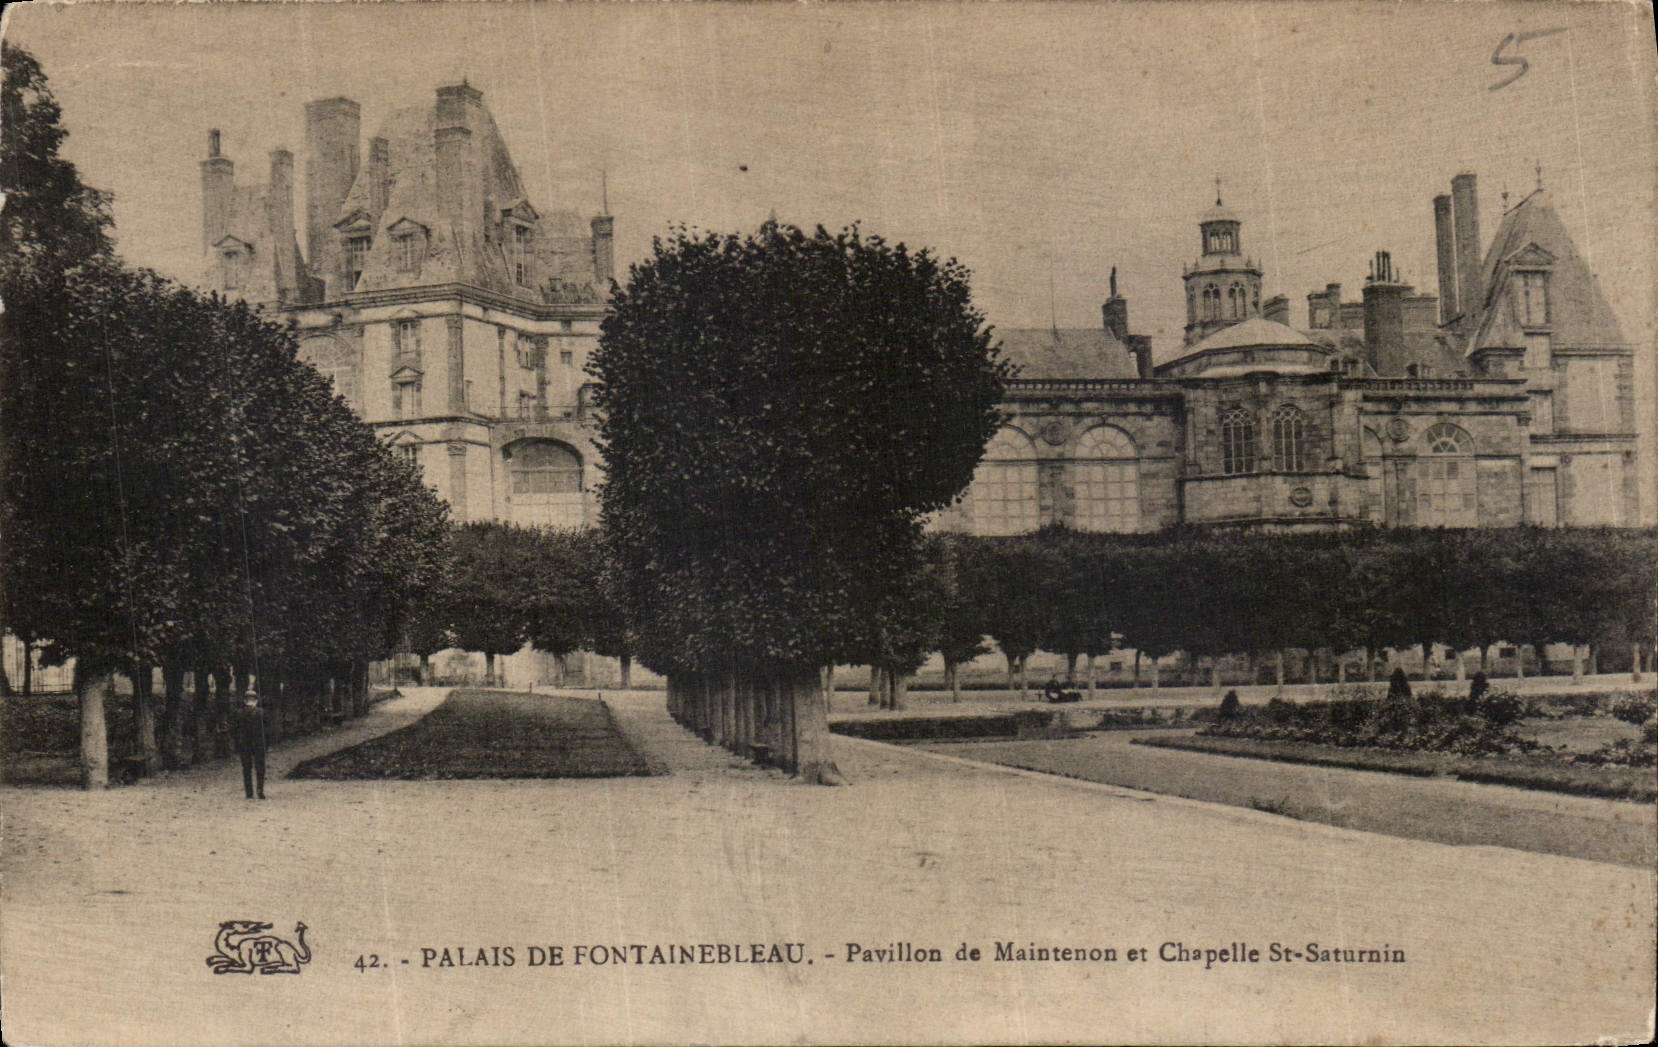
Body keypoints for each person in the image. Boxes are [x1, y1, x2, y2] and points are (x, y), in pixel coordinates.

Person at [234, 693, 268, 800]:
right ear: (256, 701)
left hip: (244, 744)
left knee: (246, 768)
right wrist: (267, 744)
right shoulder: (261, 713)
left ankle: (249, 793)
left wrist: (237, 744)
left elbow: (235, 730)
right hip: (259, 744)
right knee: (260, 768)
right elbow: (267, 731)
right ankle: (260, 790)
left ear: (245, 701)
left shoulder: (239, 713)